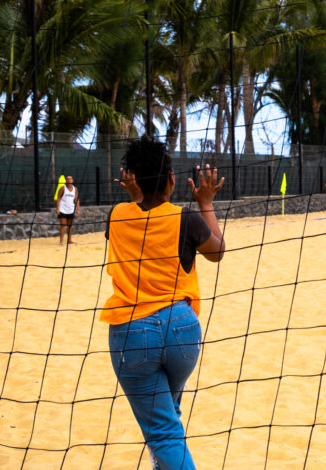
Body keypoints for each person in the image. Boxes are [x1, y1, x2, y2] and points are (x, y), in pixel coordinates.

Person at [102, 136, 226, 470]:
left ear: (133, 179)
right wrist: (206, 202)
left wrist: (135, 197)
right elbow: (218, 251)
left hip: (133, 335)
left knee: (163, 431)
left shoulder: (116, 216)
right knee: (169, 418)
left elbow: (137, 220)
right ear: (171, 179)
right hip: (182, 331)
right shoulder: (186, 218)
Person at [55, 174, 80, 245]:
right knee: (63, 225)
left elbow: (77, 199)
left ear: (72, 180)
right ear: (66, 180)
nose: (69, 180)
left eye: (70, 179)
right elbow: (58, 198)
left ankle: (69, 240)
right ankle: (61, 241)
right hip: (62, 209)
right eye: (68, 179)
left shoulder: (75, 189)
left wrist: (78, 209)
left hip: (71, 209)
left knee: (69, 226)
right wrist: (57, 209)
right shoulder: (63, 188)